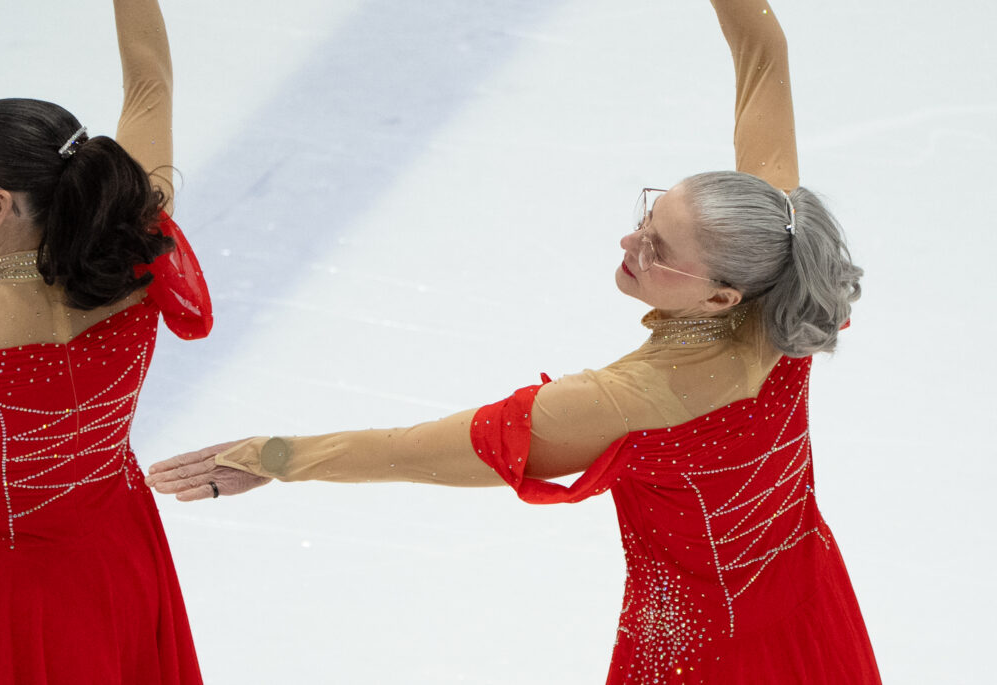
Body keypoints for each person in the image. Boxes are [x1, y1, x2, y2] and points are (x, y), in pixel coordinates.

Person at [147, 0, 879, 682]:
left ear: (720, 295)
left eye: (657, 248)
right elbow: (764, 50)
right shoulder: (780, 265)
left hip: (696, 655)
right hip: (812, 603)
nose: (629, 240)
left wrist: (276, 457)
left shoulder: (629, 399)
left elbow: (416, 448)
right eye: (648, 214)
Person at [0, 1, 210, 682]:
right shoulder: (138, 248)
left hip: (9, 590)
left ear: (0, 204)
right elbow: (150, 83)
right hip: (120, 556)